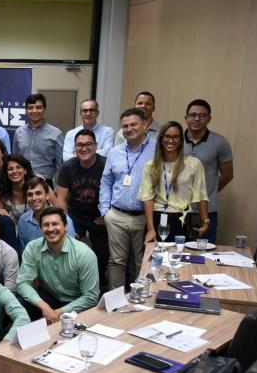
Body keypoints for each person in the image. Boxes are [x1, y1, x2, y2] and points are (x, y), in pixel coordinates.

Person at [99, 107, 156, 289]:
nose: (129, 129)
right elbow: (106, 181)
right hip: (117, 216)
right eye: (125, 126)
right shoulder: (115, 152)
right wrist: (105, 211)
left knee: (142, 263)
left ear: (145, 124)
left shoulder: (157, 149)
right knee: (116, 262)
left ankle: (143, 303)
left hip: (144, 218)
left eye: (133, 124)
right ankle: (115, 304)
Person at [17, 206, 99, 323]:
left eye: (55, 224)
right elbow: (22, 283)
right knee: (18, 304)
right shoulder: (32, 247)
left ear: (65, 226)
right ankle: (4, 340)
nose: (50, 229)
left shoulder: (84, 253)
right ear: (40, 229)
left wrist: (59, 312)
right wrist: (45, 307)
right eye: (46, 225)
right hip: (50, 298)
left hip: (77, 303)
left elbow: (91, 297)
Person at [141, 121, 209, 242]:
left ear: (181, 140)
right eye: (167, 136)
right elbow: (148, 199)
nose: (171, 140)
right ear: (161, 139)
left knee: (181, 259)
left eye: (175, 137)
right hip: (157, 218)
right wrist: (151, 229)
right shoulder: (150, 166)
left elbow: (201, 195)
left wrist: (205, 222)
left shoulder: (194, 164)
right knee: (155, 259)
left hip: (182, 220)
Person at [56, 129, 108, 285]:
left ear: (96, 146)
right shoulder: (68, 166)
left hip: (99, 217)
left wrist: (107, 216)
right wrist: (68, 223)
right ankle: (73, 283)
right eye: (80, 145)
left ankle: (97, 285)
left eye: (88, 144)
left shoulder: (105, 164)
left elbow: (114, 192)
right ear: (74, 147)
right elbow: (61, 199)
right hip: (74, 215)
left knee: (102, 254)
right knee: (70, 251)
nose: (84, 148)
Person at [182, 99, 234, 243]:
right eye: (193, 115)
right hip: (178, 210)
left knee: (204, 255)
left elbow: (227, 175)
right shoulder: (175, 140)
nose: (197, 119)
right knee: (176, 253)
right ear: (186, 118)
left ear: (209, 119)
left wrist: (207, 192)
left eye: (202, 115)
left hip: (206, 211)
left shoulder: (220, 143)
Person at [13, 93, 64, 184]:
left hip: (45, 183)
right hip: (22, 181)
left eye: (38, 107)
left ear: (44, 109)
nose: (34, 110)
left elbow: (59, 166)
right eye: (30, 107)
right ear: (26, 110)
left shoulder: (56, 134)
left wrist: (56, 191)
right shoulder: (19, 132)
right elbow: (15, 161)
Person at [17, 177, 76, 249]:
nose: (34, 198)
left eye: (38, 193)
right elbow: (23, 252)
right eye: (30, 194)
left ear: (47, 195)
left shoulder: (64, 219)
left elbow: (71, 250)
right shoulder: (23, 220)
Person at [0, 154, 35, 224]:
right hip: (14, 230)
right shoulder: (3, 189)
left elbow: (57, 207)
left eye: (18, 167)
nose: (14, 171)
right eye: (10, 169)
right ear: (6, 173)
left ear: (25, 170)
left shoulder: (38, 185)